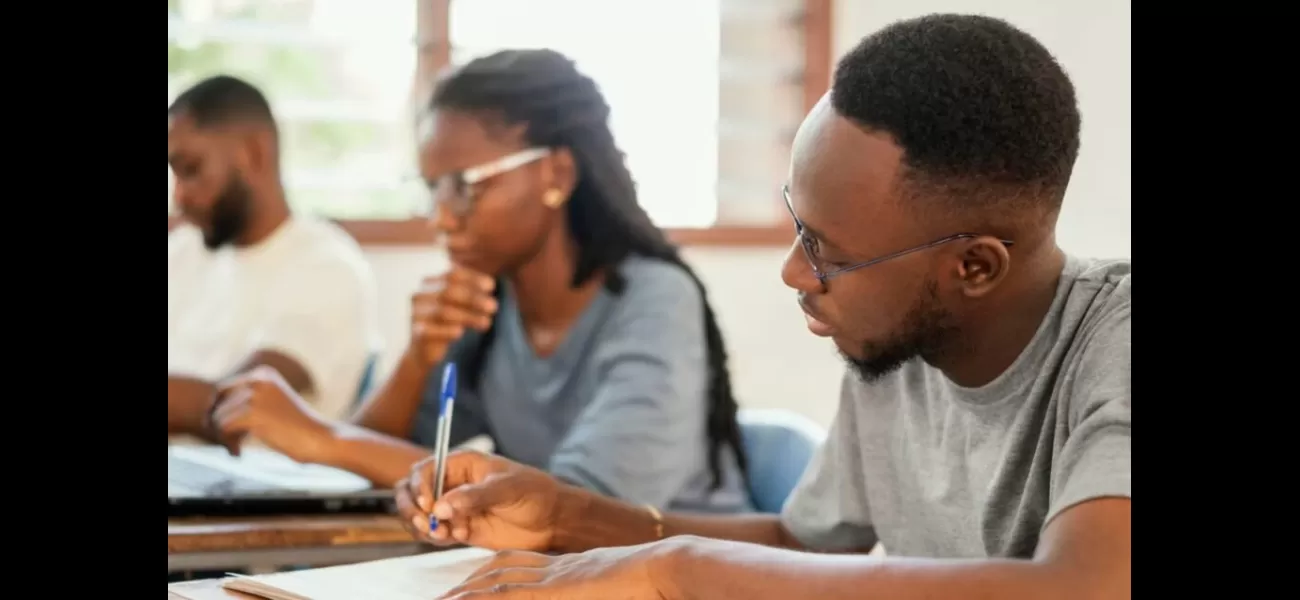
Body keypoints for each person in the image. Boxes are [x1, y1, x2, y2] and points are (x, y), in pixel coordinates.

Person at [394, 14, 1131, 600]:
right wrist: (565, 517)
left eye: (828, 253)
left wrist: (675, 571)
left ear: (973, 266)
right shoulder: (898, 344)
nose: (792, 272)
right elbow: (803, 547)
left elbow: (1083, 588)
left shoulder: (1114, 345)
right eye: (797, 227)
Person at [210, 49, 753, 514]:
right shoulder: (491, 306)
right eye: (433, 190)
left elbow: (584, 508)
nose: (442, 217)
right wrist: (417, 360)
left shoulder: (654, 300)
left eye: (464, 186)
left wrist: (320, 437)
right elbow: (378, 463)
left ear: (557, 174)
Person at [168, 74, 382, 443]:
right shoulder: (185, 250)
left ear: (254, 153)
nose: (180, 196)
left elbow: (235, 408)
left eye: (191, 169)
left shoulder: (327, 267)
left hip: (255, 493)